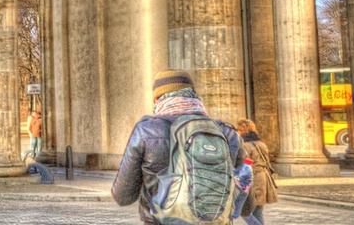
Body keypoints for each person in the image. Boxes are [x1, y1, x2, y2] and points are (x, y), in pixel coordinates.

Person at [112, 70, 244, 225]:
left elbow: (123, 196)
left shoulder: (146, 131)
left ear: (156, 99)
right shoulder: (229, 133)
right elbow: (246, 202)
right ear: (194, 95)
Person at [237, 119, 277, 224]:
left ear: (243, 130)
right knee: (258, 210)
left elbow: (245, 165)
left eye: (239, 129)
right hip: (264, 177)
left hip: (252, 178)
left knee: (244, 211)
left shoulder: (245, 146)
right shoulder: (262, 144)